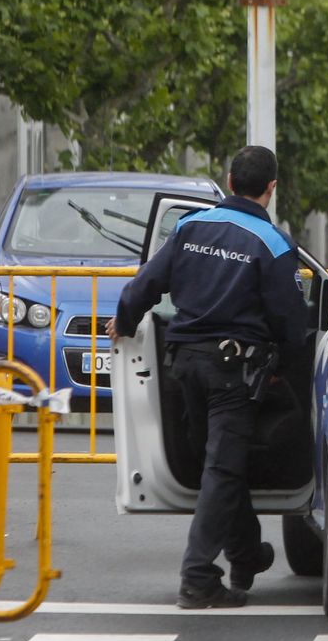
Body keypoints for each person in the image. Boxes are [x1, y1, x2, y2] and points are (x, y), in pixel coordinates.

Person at [106, 146, 307, 609]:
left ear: (230, 179)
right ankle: (198, 577)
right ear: (270, 189)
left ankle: (245, 555)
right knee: (222, 468)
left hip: (185, 364)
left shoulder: (188, 226)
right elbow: (292, 326)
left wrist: (127, 319)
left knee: (217, 463)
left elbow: (142, 286)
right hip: (234, 372)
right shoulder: (273, 243)